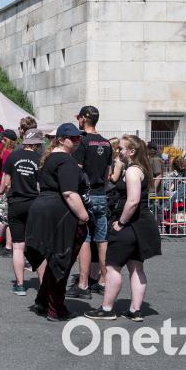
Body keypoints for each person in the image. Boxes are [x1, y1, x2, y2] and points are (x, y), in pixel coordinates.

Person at [85, 135, 161, 321]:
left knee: (112, 267)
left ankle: (107, 308)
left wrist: (121, 223)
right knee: (136, 267)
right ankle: (135, 310)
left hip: (131, 224)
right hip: (140, 225)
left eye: (121, 149)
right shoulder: (140, 168)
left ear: (132, 151)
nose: (118, 152)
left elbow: (133, 201)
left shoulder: (133, 171)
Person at [24, 123, 90, 321]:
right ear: (61, 139)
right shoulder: (65, 161)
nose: (78, 141)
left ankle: (44, 301)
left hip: (44, 210)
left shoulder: (50, 158)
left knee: (55, 259)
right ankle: (56, 308)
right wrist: (84, 216)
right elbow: (69, 192)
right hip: (59, 213)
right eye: (74, 138)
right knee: (61, 261)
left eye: (79, 137)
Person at [67, 105, 114, 300]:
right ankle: (104, 281)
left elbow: (77, 171)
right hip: (101, 194)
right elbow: (108, 174)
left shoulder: (82, 143)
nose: (77, 119)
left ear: (84, 119)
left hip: (86, 195)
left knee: (84, 240)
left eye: (79, 117)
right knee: (102, 240)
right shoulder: (106, 143)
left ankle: (83, 284)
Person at [0, 128, 43, 296]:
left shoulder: (12, 156)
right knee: (38, 244)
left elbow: (7, 182)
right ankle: (42, 283)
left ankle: (19, 284)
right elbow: (41, 184)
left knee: (18, 246)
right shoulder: (40, 159)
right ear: (37, 144)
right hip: (34, 203)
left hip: (16, 202)